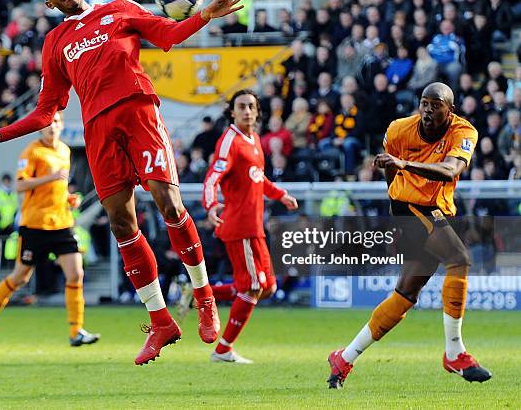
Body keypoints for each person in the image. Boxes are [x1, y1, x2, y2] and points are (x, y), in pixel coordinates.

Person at [0, 0, 245, 365]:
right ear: (49, 4)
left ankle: (204, 296)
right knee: (120, 223)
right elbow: (47, 111)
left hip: (139, 112)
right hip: (97, 130)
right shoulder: (56, 43)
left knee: (169, 203)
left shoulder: (120, 10)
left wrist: (204, 15)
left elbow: (167, 34)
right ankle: (161, 321)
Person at [327, 83, 491, 388]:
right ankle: (455, 352)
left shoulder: (463, 131)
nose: (428, 110)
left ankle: (344, 357)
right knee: (459, 259)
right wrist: (397, 192)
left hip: (433, 209)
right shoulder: (399, 129)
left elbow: (451, 169)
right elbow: (390, 167)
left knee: (405, 295)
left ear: (449, 109)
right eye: (424, 103)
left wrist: (405, 165)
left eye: (436, 104)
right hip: (409, 207)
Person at [0, 112, 98, 348]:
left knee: (76, 273)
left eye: (57, 123)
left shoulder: (65, 151)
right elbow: (20, 185)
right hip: (34, 224)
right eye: (49, 123)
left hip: (61, 222)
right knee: (20, 277)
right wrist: (50, 178)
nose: (52, 127)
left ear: (62, 126)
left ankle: (76, 331)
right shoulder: (31, 152)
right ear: (41, 127)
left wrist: (69, 198)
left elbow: (58, 188)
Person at [202, 89, 298, 363]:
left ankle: (203, 294)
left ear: (257, 112)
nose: (247, 111)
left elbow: (258, 177)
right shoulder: (229, 141)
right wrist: (210, 205)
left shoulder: (254, 139)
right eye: (241, 106)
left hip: (255, 227)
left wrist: (280, 194)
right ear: (231, 111)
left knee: (267, 287)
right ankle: (223, 350)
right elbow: (212, 178)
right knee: (252, 287)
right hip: (238, 226)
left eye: (251, 107)